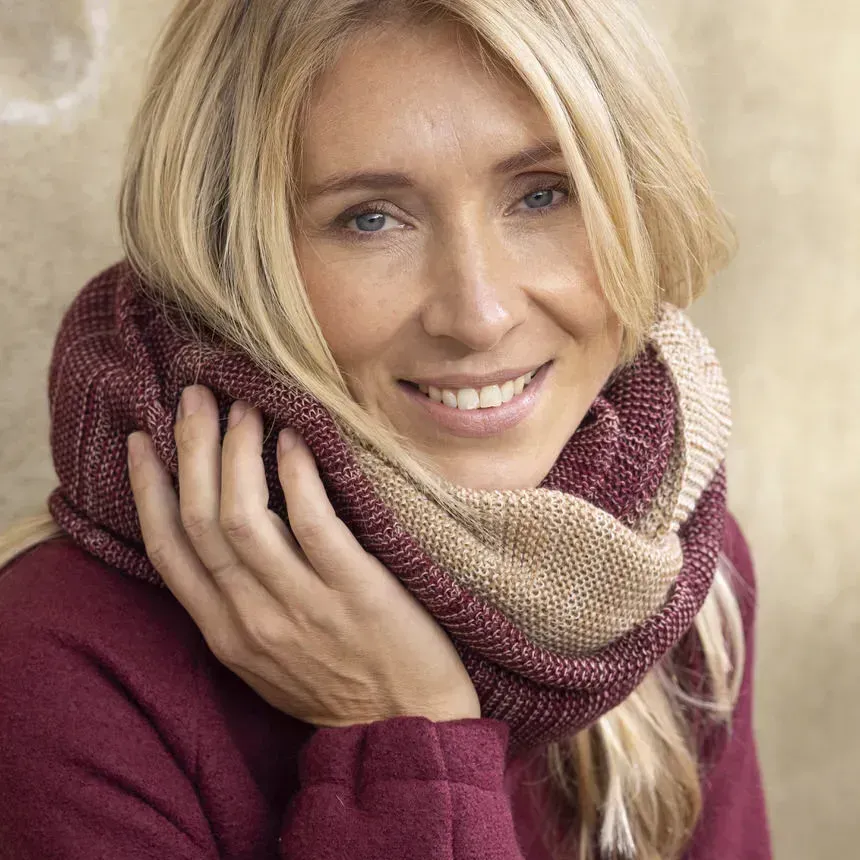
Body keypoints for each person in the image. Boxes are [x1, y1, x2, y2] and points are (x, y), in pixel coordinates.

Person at [0, 1, 771, 858]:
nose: (477, 314)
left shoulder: (667, 573)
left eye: (543, 194)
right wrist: (410, 744)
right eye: (371, 217)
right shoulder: (59, 672)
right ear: (228, 259)